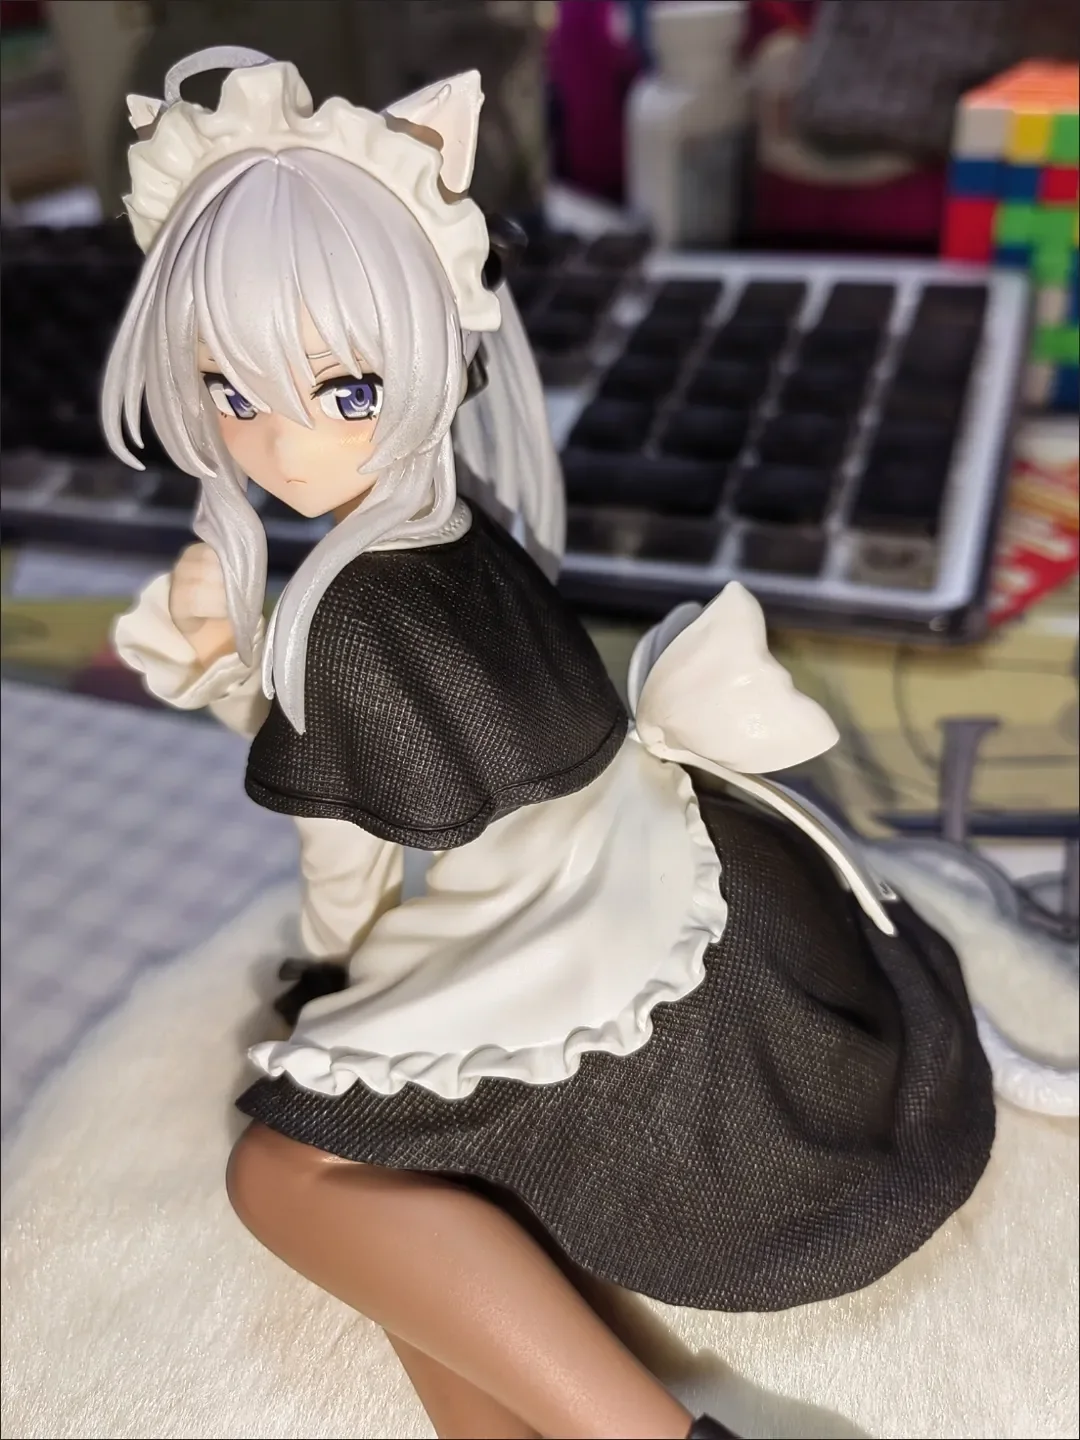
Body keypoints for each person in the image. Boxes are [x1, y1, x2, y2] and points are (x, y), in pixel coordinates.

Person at [108, 48, 995, 1440]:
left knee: (283, 1174)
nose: (279, 444)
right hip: (655, 874)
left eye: (343, 390)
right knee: (374, 1187)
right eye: (231, 391)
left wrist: (338, 998)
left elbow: (346, 864)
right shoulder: (455, 525)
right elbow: (382, 747)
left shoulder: (357, 606)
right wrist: (241, 656)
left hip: (599, 946)